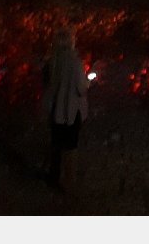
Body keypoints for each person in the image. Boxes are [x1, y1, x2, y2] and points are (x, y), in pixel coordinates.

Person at [40, 27, 89, 192]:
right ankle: (68, 181)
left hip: (55, 110)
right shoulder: (75, 63)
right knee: (70, 147)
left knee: (56, 144)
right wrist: (89, 82)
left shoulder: (50, 62)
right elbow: (81, 88)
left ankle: (53, 175)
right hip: (71, 111)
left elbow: (46, 88)